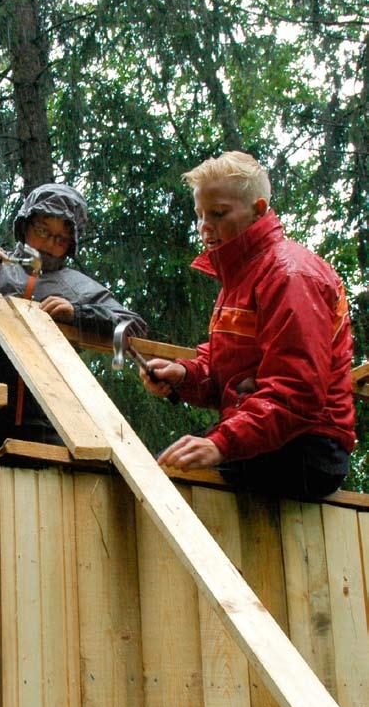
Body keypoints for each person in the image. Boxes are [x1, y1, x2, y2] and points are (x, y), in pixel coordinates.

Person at [141, 151, 356, 498]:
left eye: (219, 213)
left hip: (308, 446)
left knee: (166, 480)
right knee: (159, 469)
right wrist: (184, 376)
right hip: (267, 436)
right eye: (199, 215)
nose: (205, 226)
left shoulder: (289, 274)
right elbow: (228, 372)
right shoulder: (239, 278)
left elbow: (297, 392)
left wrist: (222, 444)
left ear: (258, 210)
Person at [0, 183, 147, 566]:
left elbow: (132, 329)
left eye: (61, 238)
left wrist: (77, 314)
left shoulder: (78, 288)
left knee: (47, 531)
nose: (50, 244)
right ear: (24, 225)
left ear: (72, 244)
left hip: (48, 425)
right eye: (43, 231)